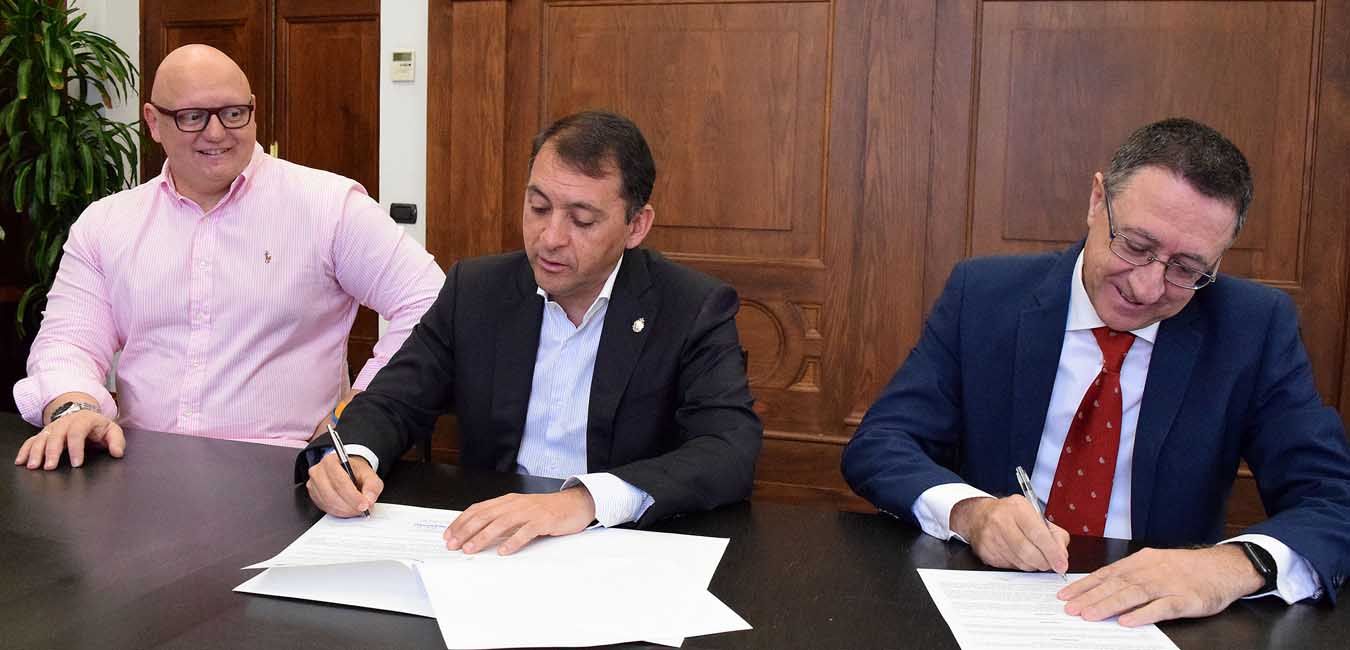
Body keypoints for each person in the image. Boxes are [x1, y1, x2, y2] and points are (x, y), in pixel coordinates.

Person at [842, 118, 1350, 625]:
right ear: (1096, 200)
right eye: (1136, 245)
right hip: (988, 604)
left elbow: (1334, 500)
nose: (1148, 288)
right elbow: (882, 443)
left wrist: (1227, 568)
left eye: (1187, 269)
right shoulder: (984, 296)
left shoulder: (1253, 329)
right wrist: (971, 514)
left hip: (1157, 621)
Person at [301, 110, 762, 555]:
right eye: (538, 207)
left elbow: (729, 449)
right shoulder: (476, 291)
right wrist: (351, 457)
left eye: (582, 220)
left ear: (636, 225)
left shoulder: (690, 307)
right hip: (490, 546)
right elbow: (394, 399)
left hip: (621, 550)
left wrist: (582, 501)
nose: (550, 237)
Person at [13, 44, 444, 469]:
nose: (217, 133)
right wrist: (74, 407)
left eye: (233, 113)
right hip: (141, 469)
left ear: (253, 109)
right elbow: (68, 342)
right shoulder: (107, 223)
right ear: (154, 122)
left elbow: (429, 305)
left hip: (287, 474)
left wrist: (358, 413)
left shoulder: (329, 207)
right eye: (192, 117)